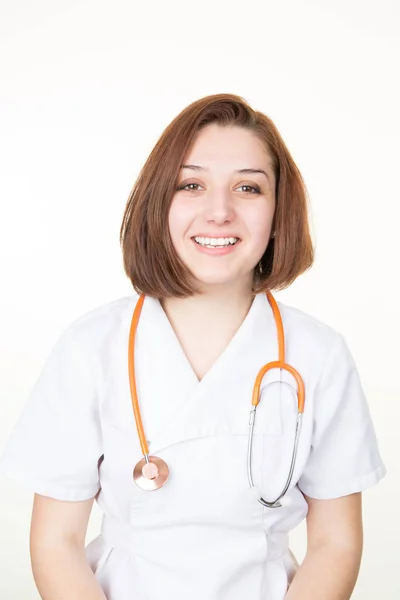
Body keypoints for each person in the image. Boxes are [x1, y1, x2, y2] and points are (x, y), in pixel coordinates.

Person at [0, 93, 386, 600]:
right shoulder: (90, 347)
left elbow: (335, 543)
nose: (220, 211)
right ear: (160, 200)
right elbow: (56, 542)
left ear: (278, 210)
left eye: (248, 187)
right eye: (192, 184)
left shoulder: (319, 356)